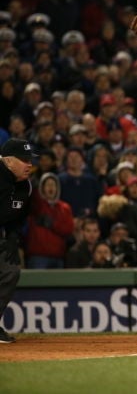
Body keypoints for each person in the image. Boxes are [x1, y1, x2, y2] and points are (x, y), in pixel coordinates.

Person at [0, 138, 35, 343]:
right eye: (24, 159)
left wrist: (14, 236)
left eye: (30, 159)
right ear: (8, 161)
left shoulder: (25, 186)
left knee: (10, 271)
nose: (29, 163)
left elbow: (19, 216)